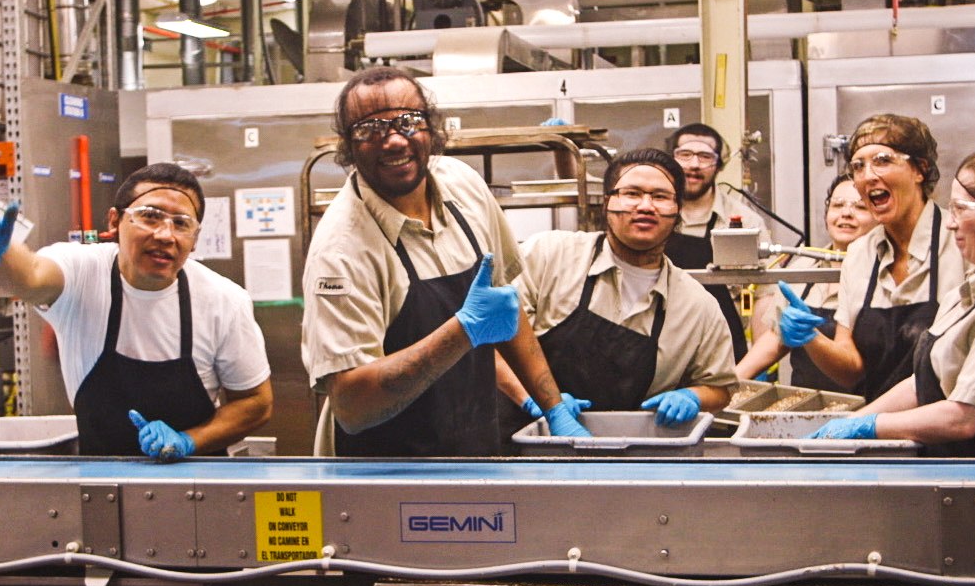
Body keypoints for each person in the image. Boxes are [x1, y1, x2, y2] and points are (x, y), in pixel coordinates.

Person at [301, 66, 581, 456]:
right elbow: (351, 405)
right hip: (382, 472)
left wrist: (551, 406)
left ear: (431, 128)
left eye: (408, 121)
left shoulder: (461, 184)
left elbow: (504, 307)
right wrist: (462, 332)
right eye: (370, 129)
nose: (395, 140)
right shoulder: (342, 250)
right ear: (348, 147)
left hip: (474, 447)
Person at [0, 163, 272, 460]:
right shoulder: (82, 272)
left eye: (181, 223)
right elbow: (32, 277)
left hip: (199, 487)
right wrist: (0, 254)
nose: (164, 234)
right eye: (150, 216)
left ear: (195, 239)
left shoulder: (223, 300)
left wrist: (189, 440)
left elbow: (255, 402)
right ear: (115, 222)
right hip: (98, 485)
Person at [809, 149, 975, 455]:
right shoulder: (974, 289)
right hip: (949, 460)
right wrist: (854, 420)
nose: (951, 224)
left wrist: (870, 427)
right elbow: (923, 384)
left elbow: (964, 418)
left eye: (961, 209)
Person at [504, 148, 737, 424]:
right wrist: (536, 400)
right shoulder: (548, 256)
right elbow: (492, 338)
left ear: (678, 212)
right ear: (606, 203)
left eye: (661, 197)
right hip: (526, 444)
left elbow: (720, 388)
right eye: (632, 193)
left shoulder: (699, 306)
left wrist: (693, 396)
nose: (646, 206)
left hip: (628, 455)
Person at [775, 114, 964, 400]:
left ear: (920, 170)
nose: (867, 176)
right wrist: (811, 339)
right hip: (880, 429)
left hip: (949, 428)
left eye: (883, 160)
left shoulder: (962, 242)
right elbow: (851, 371)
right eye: (858, 166)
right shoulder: (860, 254)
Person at [736, 173, 876, 385]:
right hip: (809, 402)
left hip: (871, 404)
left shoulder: (885, 273)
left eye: (860, 207)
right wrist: (726, 383)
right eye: (838, 205)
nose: (846, 214)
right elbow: (776, 336)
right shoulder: (804, 268)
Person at [661, 122, 762, 356]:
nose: (694, 164)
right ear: (671, 160)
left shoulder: (746, 221)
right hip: (661, 347)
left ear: (718, 165)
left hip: (725, 350)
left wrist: (756, 361)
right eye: (685, 155)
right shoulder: (653, 214)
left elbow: (761, 295)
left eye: (705, 156)